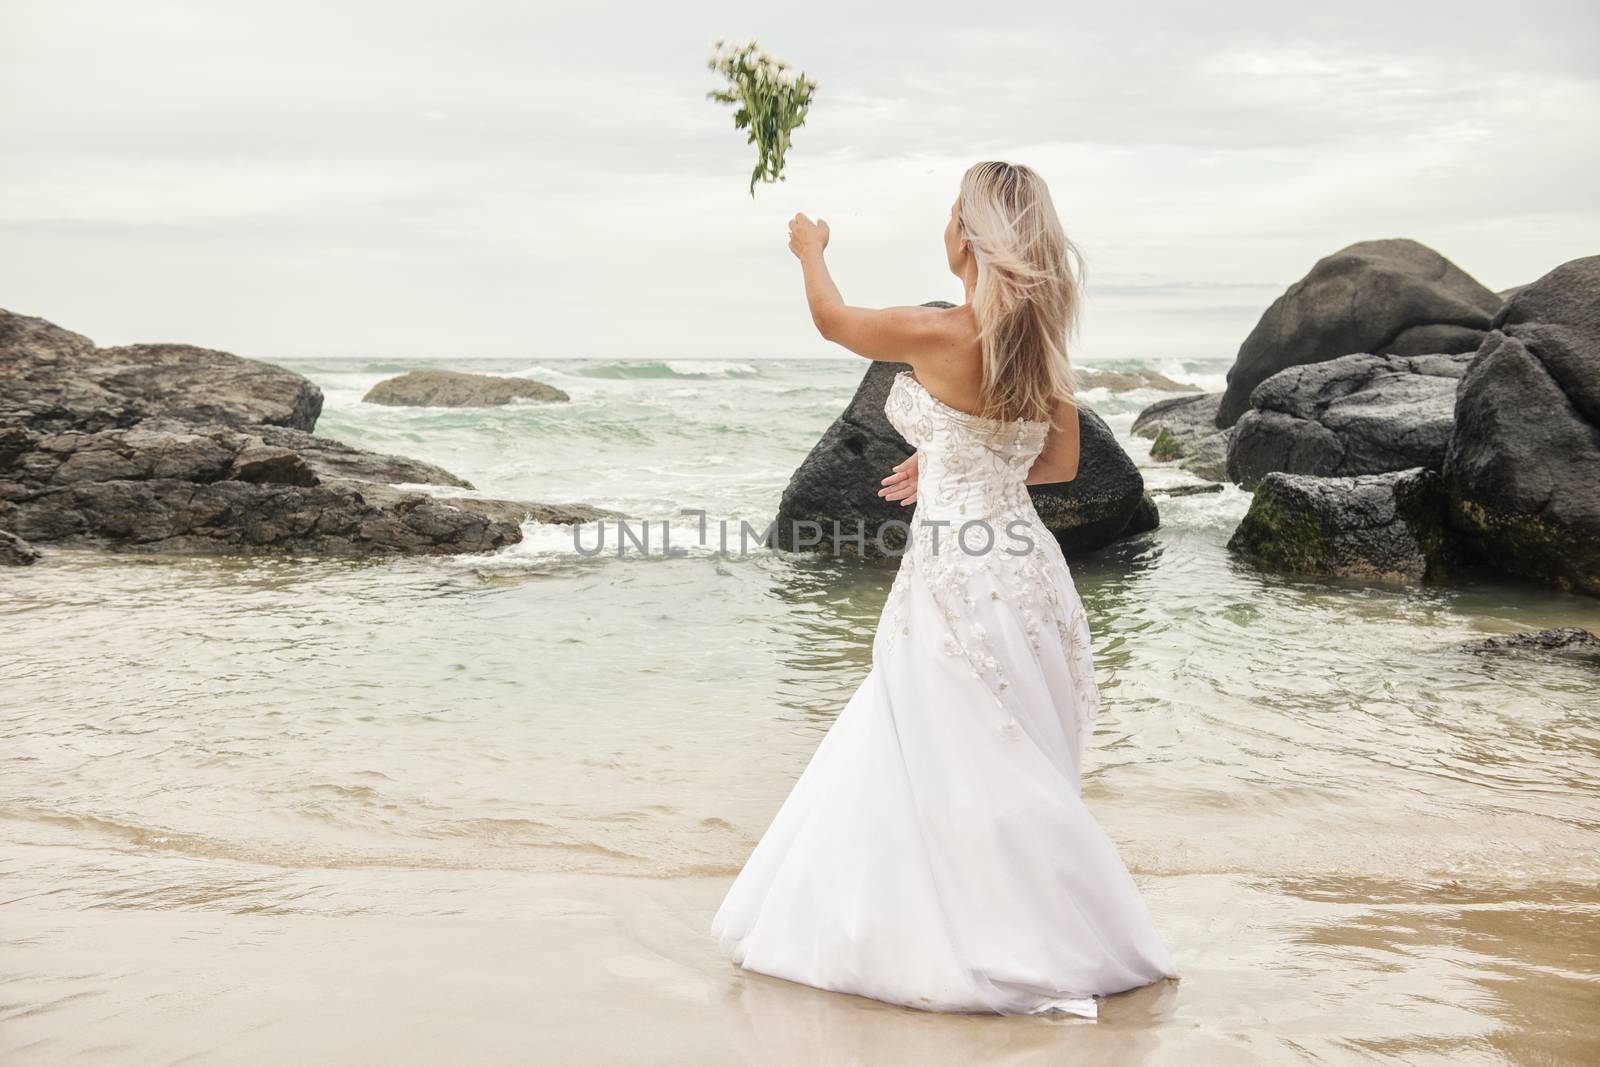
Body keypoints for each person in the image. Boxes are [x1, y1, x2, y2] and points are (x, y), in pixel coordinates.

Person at [710, 161, 1177, 1017]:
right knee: (1003, 750)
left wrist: (810, 248)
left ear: (968, 236)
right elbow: (1062, 463)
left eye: (949, 214)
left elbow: (833, 320)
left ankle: (968, 940)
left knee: (951, 750)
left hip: (960, 573)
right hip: (1028, 572)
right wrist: (959, 456)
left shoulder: (943, 330)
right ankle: (1052, 925)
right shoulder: (1040, 345)